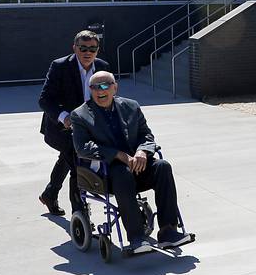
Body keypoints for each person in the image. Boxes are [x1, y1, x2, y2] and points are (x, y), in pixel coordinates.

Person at [71, 71, 194, 254]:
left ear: (115, 87)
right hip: (108, 173)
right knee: (122, 173)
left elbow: (146, 134)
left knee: (163, 166)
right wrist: (119, 155)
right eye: (95, 87)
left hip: (138, 164)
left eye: (105, 85)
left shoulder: (131, 106)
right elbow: (82, 147)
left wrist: (143, 151)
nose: (100, 90)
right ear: (90, 90)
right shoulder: (80, 115)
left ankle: (168, 232)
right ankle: (137, 238)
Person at [38, 30, 109, 215]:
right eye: (83, 48)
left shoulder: (102, 67)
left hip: (88, 128)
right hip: (60, 128)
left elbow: (107, 96)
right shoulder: (60, 66)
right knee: (78, 165)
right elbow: (45, 100)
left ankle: (49, 194)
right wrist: (65, 117)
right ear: (74, 48)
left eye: (92, 48)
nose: (88, 52)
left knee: (67, 157)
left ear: (97, 50)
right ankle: (80, 214)